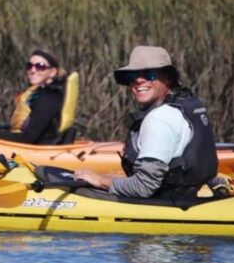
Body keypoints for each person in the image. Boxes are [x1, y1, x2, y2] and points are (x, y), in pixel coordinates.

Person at [74, 45, 218, 198]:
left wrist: (100, 180)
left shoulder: (159, 119)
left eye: (149, 74)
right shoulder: (183, 109)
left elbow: (144, 187)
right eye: (132, 76)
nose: (138, 81)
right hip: (189, 197)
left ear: (168, 78)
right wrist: (107, 178)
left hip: (167, 205)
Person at [0, 49, 67, 145]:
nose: (33, 70)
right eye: (29, 66)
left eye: (40, 66)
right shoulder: (41, 94)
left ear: (53, 72)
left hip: (40, 151)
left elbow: (28, 137)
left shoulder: (50, 98)